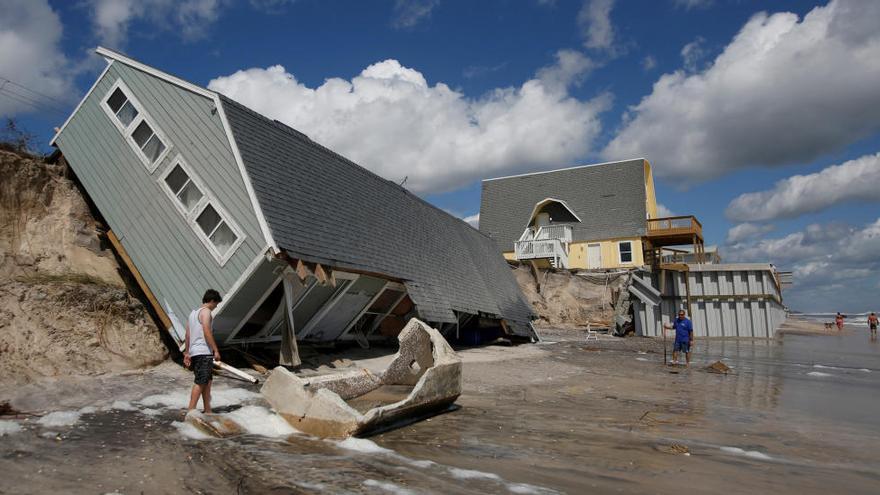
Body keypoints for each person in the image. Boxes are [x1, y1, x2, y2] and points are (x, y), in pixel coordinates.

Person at [184, 289, 222, 414]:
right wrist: (215, 350)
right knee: (201, 381)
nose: (215, 306)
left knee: (207, 381)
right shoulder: (206, 312)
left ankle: (208, 409)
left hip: (195, 351)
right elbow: (207, 331)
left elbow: (188, 335)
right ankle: (191, 411)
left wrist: (187, 353)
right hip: (203, 352)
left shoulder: (193, 314)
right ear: (211, 301)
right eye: (215, 304)